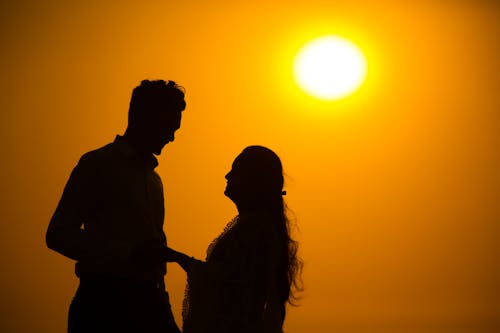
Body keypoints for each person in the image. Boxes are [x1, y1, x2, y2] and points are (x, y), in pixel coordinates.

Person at [46, 80, 186, 333]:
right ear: (141, 117)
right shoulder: (97, 164)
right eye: (167, 127)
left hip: (148, 304)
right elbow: (58, 234)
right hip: (102, 306)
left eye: (174, 129)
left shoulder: (155, 180)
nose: (171, 137)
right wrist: (129, 252)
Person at [166, 146, 303, 333]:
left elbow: (230, 286)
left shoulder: (253, 231)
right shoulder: (255, 227)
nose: (227, 176)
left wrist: (179, 259)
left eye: (235, 170)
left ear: (251, 181)